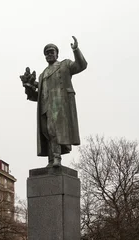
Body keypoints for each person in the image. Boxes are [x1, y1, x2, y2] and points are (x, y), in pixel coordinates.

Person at [20, 36, 88, 167]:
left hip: (60, 106)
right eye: (47, 53)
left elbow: (81, 65)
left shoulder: (65, 65)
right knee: (47, 132)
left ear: (57, 53)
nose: (49, 54)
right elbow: (37, 96)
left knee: (53, 130)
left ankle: (56, 158)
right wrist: (28, 87)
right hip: (45, 107)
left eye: (52, 52)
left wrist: (76, 49)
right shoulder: (42, 74)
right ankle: (51, 160)